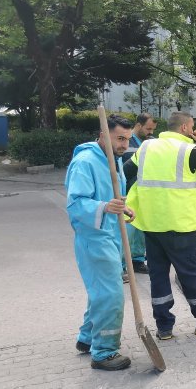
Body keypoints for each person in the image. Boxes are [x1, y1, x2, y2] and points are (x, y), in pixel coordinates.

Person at [124, 111, 196, 340]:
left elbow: (127, 173)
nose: (192, 132)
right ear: (183, 129)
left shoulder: (146, 148)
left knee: (158, 276)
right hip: (181, 226)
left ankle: (164, 327)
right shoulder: (188, 150)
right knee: (192, 274)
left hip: (152, 225)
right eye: (191, 128)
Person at [65, 114, 135, 371]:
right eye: (119, 138)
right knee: (110, 294)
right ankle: (104, 352)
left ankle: (86, 338)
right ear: (103, 135)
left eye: (127, 139)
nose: (124, 144)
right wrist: (106, 206)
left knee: (101, 291)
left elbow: (112, 196)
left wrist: (121, 208)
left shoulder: (113, 159)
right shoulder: (85, 161)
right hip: (94, 238)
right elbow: (75, 204)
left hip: (110, 235)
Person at [122, 113, 157, 274]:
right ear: (138, 125)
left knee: (141, 231)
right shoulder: (126, 142)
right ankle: (122, 264)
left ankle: (137, 260)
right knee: (127, 231)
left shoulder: (151, 142)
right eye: (148, 128)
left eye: (153, 129)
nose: (150, 132)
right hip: (128, 193)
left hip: (145, 194)